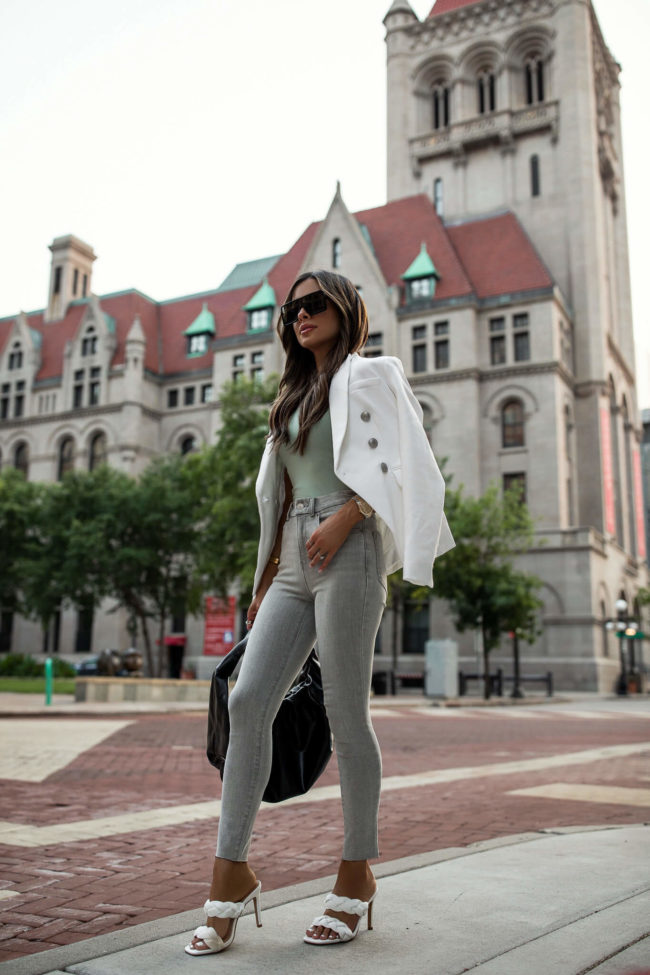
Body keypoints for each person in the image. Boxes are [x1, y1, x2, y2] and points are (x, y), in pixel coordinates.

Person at [185, 270, 454, 956]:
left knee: (345, 711)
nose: (300, 315)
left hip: (351, 550)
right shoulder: (291, 394)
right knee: (247, 700)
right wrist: (265, 569)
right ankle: (230, 875)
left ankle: (356, 873)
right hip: (291, 561)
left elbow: (410, 462)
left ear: (344, 310)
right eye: (292, 308)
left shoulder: (375, 375)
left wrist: (351, 515)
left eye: (314, 304)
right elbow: (277, 490)